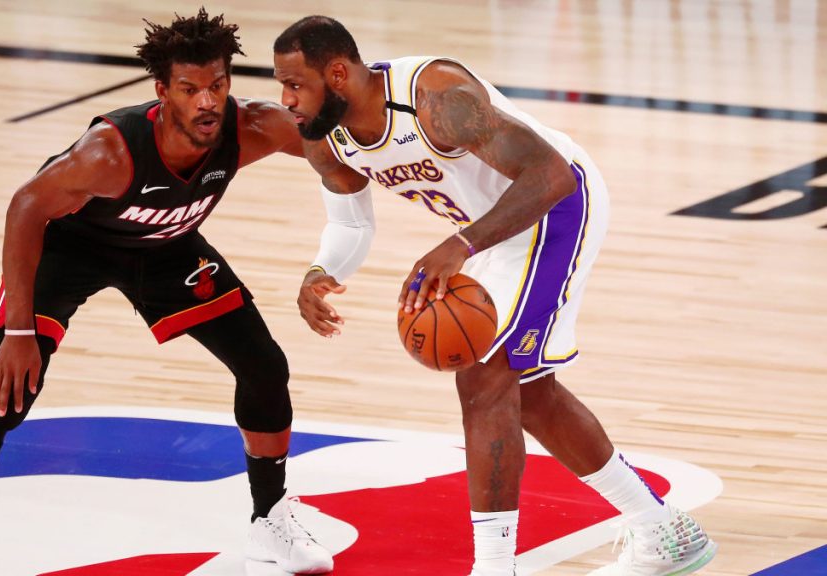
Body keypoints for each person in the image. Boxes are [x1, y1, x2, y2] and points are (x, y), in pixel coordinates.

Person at [0, 9, 334, 576]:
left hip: (167, 245)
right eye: (189, 89)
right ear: (162, 92)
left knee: (265, 367)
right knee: (9, 397)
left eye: (217, 85)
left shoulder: (253, 128)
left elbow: (340, 146)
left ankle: (269, 520)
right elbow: (25, 208)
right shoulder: (111, 151)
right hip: (70, 248)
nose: (207, 101)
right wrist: (20, 330)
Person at [272, 16, 717, 576]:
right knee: (527, 392)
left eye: (295, 84)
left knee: (483, 377)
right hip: (492, 231)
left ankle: (494, 567)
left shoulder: (435, 99)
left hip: (552, 207)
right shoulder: (325, 135)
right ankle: (663, 530)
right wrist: (321, 272)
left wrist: (461, 244)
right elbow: (350, 223)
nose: (286, 100)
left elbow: (552, 175)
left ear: (337, 74)